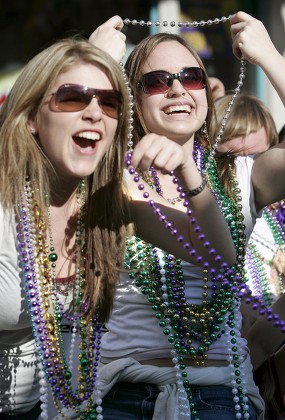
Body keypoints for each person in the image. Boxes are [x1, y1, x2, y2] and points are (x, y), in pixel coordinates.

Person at [0, 21, 237, 420]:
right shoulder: (7, 204)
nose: (94, 112)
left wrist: (188, 173)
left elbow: (218, 257)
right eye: (73, 98)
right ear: (30, 118)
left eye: (109, 103)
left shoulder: (108, 203)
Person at [90, 10, 285, 420]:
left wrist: (270, 57)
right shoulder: (104, 175)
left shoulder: (243, 176)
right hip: (123, 395)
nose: (177, 88)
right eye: (157, 82)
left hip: (222, 397)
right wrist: (94, 62)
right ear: (132, 97)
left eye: (191, 77)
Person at [211, 92, 285, 419]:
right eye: (230, 158)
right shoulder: (211, 211)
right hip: (228, 373)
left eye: (258, 157)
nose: (245, 167)